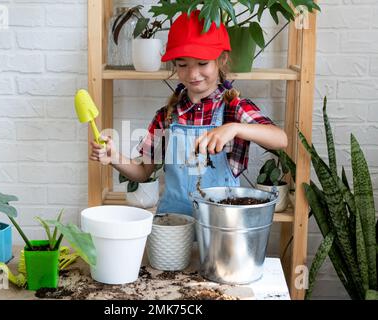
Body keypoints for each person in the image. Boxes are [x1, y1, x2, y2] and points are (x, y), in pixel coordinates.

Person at [90, 10, 287, 216]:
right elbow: (142, 172)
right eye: (183, 65)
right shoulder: (166, 116)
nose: (193, 74)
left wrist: (235, 128)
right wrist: (114, 157)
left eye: (202, 63)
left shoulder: (233, 109)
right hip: (175, 223)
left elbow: (280, 139)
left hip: (222, 224)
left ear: (221, 60)